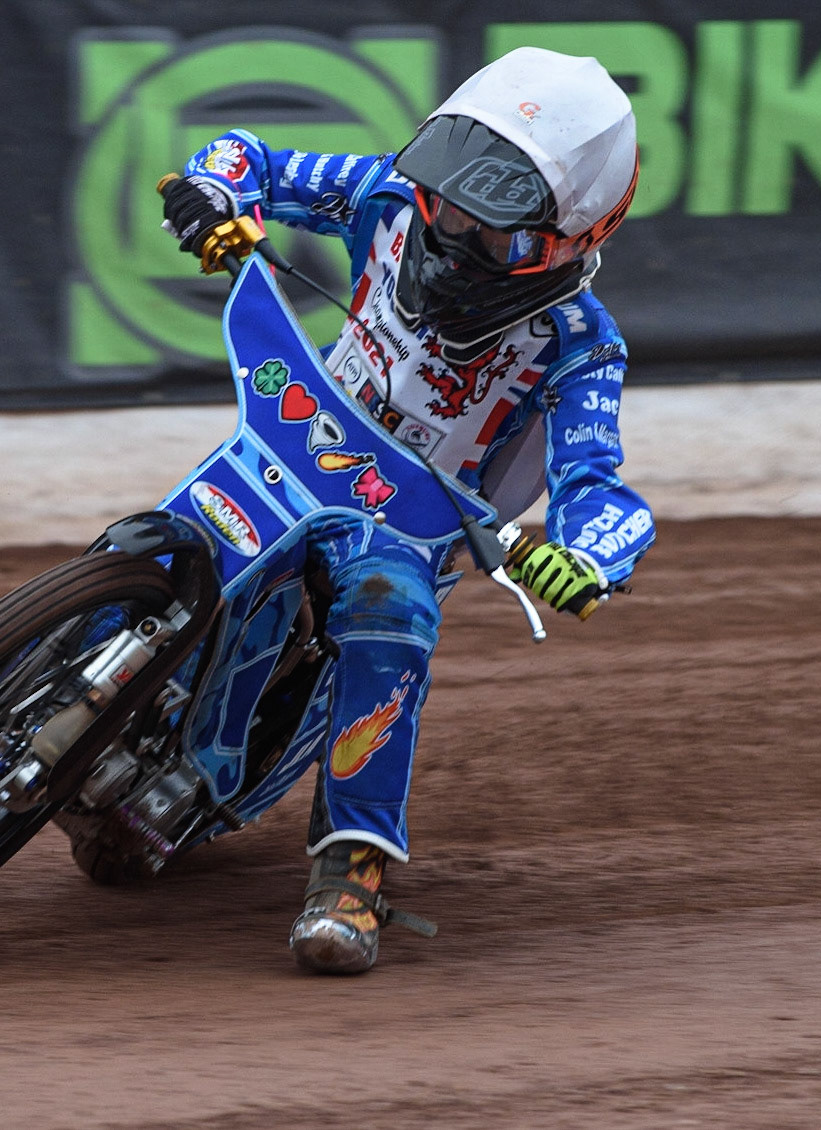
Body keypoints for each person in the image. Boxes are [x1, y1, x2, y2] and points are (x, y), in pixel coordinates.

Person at [158, 46, 657, 973]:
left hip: (405, 527)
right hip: (290, 444)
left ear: (579, 238)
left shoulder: (579, 346)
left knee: (393, 614)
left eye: (496, 234)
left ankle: (354, 866)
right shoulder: (388, 199)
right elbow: (249, 156)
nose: (458, 238)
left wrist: (586, 555)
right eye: (448, 205)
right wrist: (213, 192)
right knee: (157, 543)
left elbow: (597, 481)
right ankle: (18, 686)